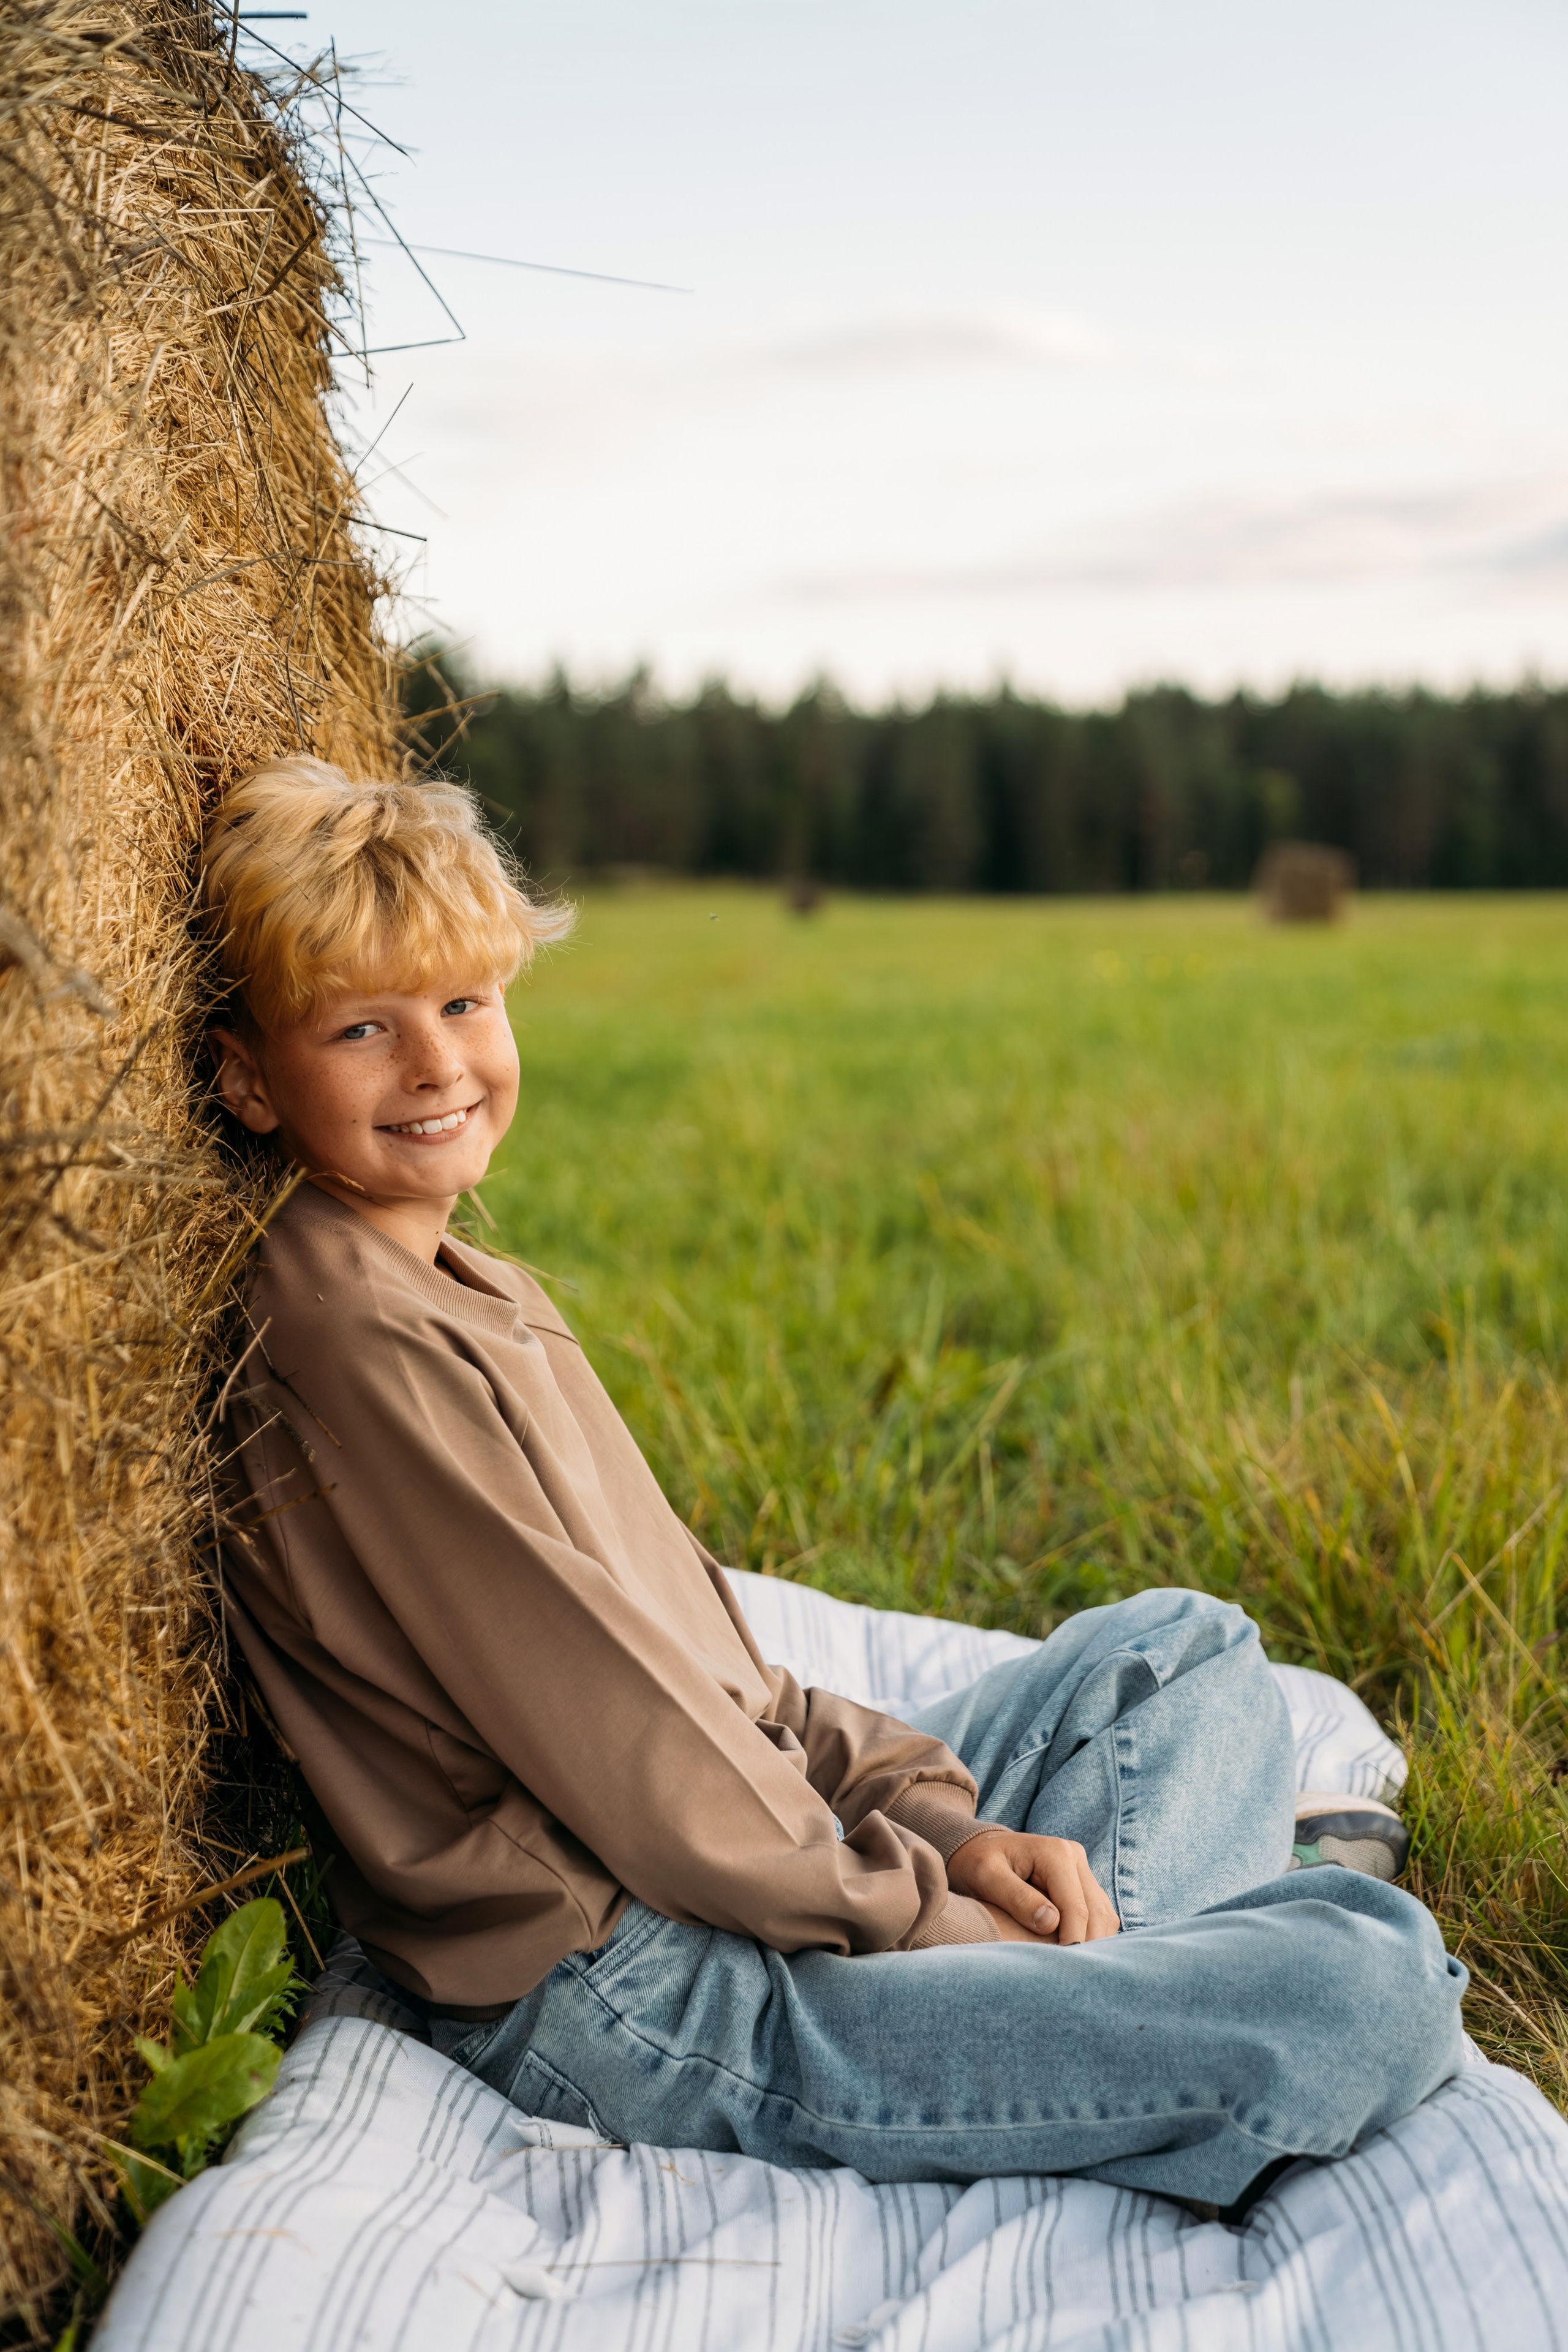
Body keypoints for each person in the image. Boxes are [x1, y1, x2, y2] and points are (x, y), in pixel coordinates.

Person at [206, 756, 1466, 2215]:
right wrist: (925, 1918)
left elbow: (720, 1678)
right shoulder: (350, 1340)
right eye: (361, 1027)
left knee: (1182, 1652)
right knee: (1363, 1986)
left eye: (463, 1004)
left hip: (738, 1861)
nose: (436, 1067)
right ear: (246, 1076)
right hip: (628, 1987)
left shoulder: (471, 1286)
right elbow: (643, 1762)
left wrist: (951, 1829)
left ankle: (1132, 1971)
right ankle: (1172, 1968)